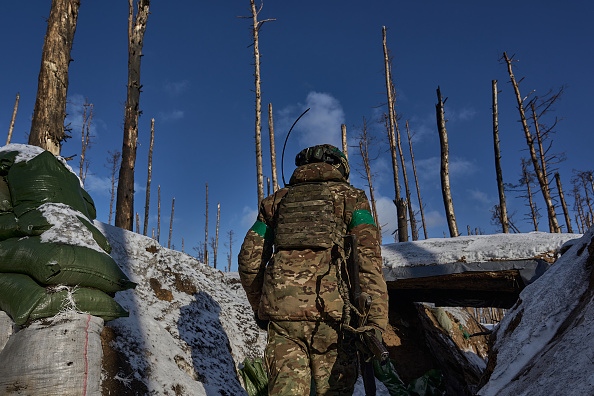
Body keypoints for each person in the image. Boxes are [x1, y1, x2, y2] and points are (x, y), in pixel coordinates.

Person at [238, 144, 388, 395]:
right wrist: (375, 322)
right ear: (340, 167)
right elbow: (368, 260)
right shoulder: (352, 198)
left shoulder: (275, 202)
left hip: (283, 319)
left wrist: (263, 308)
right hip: (334, 319)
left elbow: (248, 261)